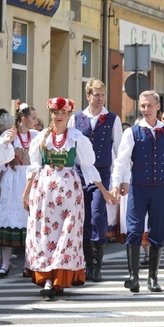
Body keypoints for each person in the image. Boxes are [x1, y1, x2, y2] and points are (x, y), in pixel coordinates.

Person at [22, 98, 116, 298]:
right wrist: (26, 193)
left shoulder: (76, 137)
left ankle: (60, 279)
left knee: (67, 234)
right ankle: (48, 279)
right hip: (45, 190)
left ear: (69, 115)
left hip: (69, 190)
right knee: (46, 236)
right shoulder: (42, 138)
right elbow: (34, 167)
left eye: (62, 113)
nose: (58, 117)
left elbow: (88, 166)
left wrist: (104, 191)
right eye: (55, 113)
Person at [111, 90, 164, 293]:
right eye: (142, 106)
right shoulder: (132, 132)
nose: (146, 110)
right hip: (138, 187)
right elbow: (121, 160)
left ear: (158, 107)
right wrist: (117, 183)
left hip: (159, 188)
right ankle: (133, 276)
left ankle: (153, 278)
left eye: (149, 105)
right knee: (133, 230)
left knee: (158, 231)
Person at [69, 79, 122, 282]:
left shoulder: (112, 119)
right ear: (88, 96)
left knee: (98, 216)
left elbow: (119, 151)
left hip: (102, 174)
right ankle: (85, 263)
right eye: (96, 95)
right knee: (82, 216)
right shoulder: (77, 119)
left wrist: (119, 181)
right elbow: (70, 148)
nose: (100, 99)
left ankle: (96, 266)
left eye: (102, 95)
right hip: (80, 174)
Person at [0, 104, 39, 278]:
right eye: (33, 118)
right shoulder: (9, 135)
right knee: (8, 219)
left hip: (29, 181)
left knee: (29, 222)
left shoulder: (36, 136)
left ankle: (28, 264)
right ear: (24, 119)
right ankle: (4, 265)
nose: (37, 121)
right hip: (11, 181)